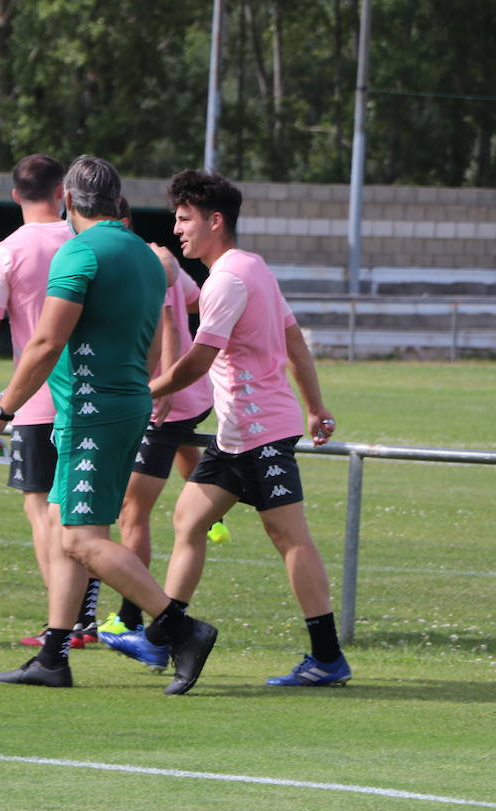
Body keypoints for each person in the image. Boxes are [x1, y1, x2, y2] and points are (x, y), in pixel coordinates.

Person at [0, 156, 218, 695]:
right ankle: (52, 655)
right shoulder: (146, 256)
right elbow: (156, 341)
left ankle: (181, 629)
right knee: (68, 532)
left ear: (67, 198)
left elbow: (44, 344)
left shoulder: (79, 254)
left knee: (84, 541)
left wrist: (3, 412)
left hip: (92, 411)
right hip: (119, 402)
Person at [150, 168, 350, 686]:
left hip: (259, 433)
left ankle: (327, 658)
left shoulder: (228, 280)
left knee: (289, 537)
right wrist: (314, 406)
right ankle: (169, 635)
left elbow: (197, 361)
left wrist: (147, 392)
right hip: (238, 433)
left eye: (185, 218)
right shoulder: (253, 268)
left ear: (215, 220)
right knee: (188, 520)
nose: (178, 229)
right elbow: (295, 343)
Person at [0, 154, 102, 650]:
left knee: (43, 511)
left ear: (14, 195)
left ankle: (60, 626)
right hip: (90, 395)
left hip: (36, 399)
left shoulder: (6, 251)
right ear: (62, 193)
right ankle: (81, 620)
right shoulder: (85, 241)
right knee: (85, 511)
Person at [98, 199, 229, 672]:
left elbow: (173, 319)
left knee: (134, 508)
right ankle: (213, 514)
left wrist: (167, 384)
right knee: (172, 474)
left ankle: (131, 617)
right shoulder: (159, 260)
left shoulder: (149, 261)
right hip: (181, 398)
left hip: (169, 401)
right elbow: (192, 303)